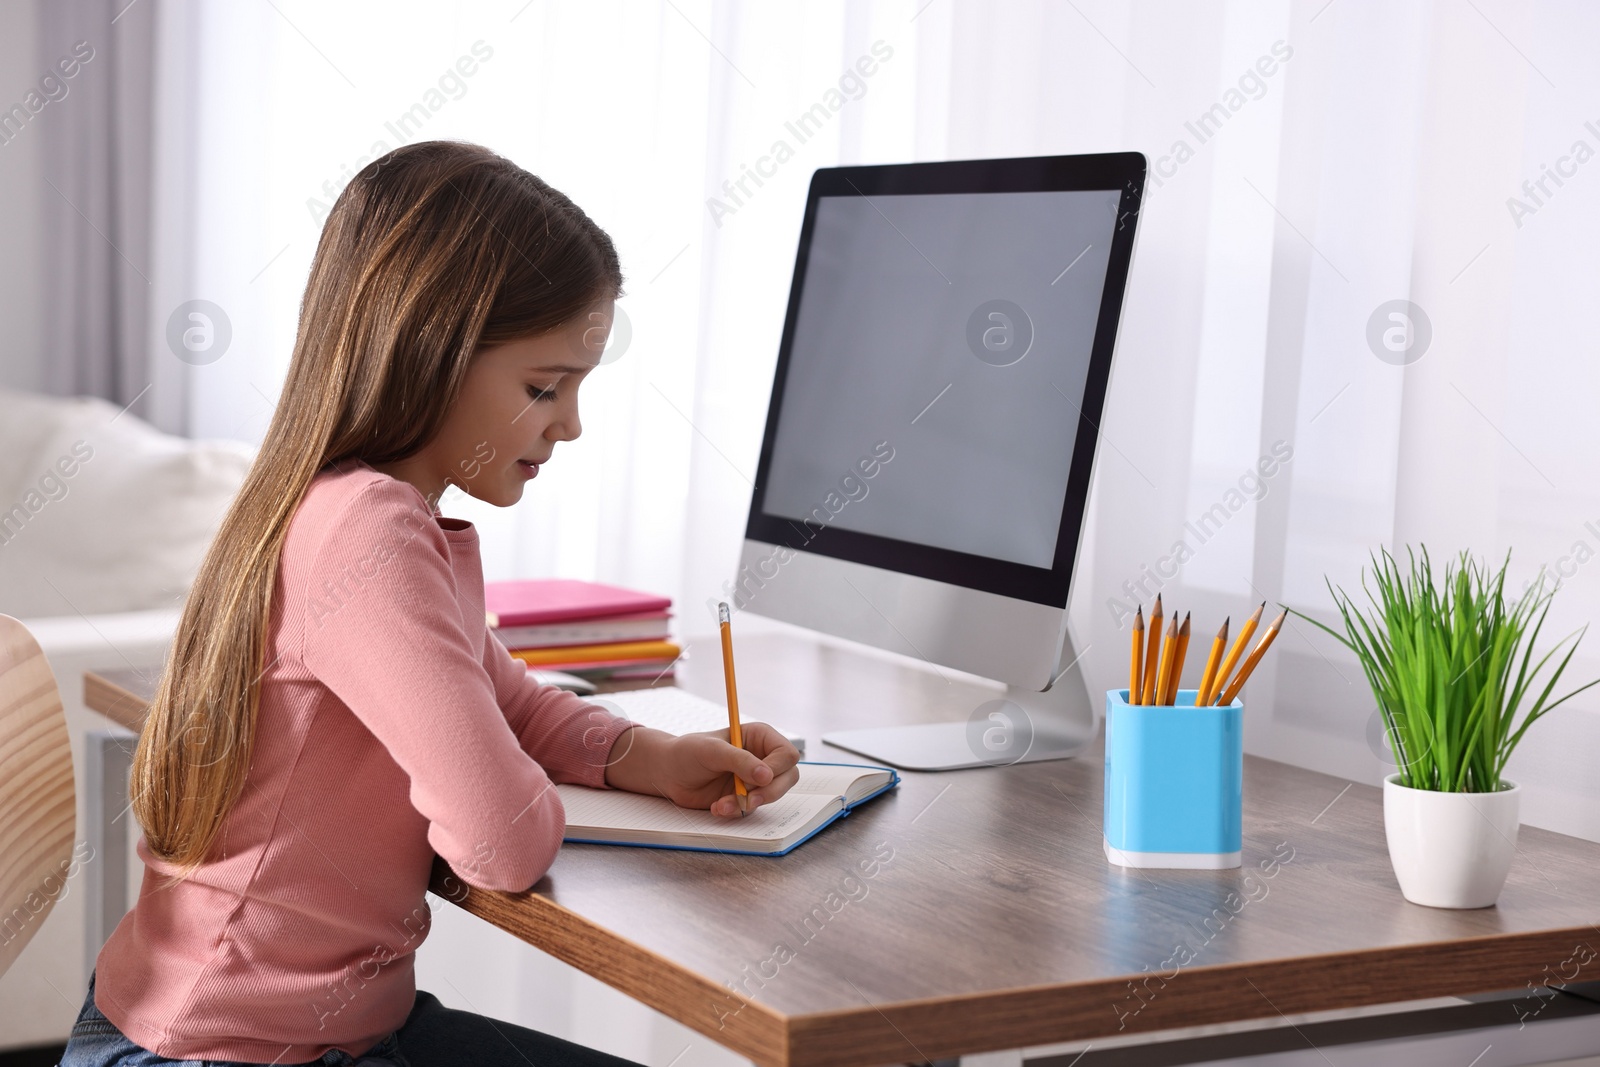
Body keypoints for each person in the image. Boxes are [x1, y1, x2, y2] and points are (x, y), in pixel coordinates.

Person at [61, 140, 801, 1067]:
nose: (569, 424)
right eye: (544, 386)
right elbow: (499, 842)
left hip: (312, 1030)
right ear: (430, 348)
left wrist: (646, 755)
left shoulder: (366, 512)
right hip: (224, 1051)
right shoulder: (369, 534)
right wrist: (506, 786)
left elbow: (506, 696)